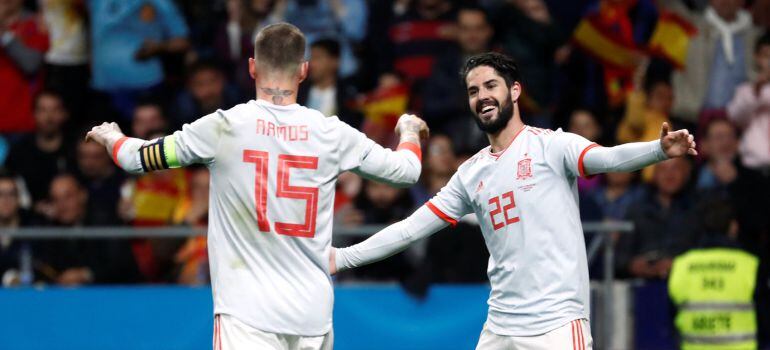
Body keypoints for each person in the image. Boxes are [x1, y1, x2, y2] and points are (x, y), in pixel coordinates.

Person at [86, 23, 428, 349]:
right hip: (312, 315)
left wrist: (111, 136)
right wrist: (409, 130)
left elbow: (136, 158)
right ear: (304, 70)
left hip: (247, 314)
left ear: (252, 67)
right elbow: (407, 170)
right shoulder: (333, 133)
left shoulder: (223, 127)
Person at [331, 52, 697, 349]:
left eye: (491, 85)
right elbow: (411, 229)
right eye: (474, 91)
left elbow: (608, 158)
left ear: (515, 91)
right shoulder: (470, 174)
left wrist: (659, 150)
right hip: (501, 325)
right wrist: (342, 257)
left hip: (555, 325)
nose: (482, 96)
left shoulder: (551, 146)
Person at [668, 198, 768, 349]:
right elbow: (764, 318)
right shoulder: (750, 265)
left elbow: (671, 318)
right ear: (733, 227)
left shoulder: (681, 264)